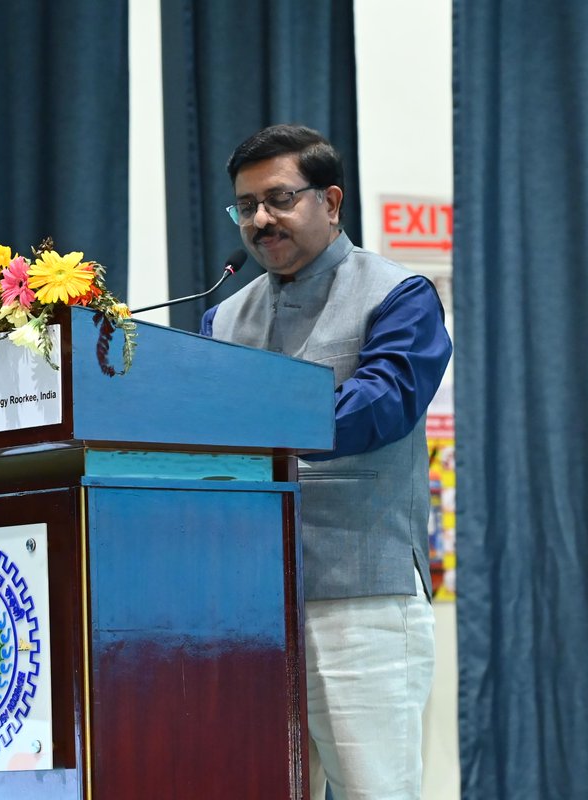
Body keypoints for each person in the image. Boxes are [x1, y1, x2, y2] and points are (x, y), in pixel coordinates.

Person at [201, 124, 452, 800]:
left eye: (279, 198)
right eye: (246, 205)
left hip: (362, 605)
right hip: (247, 612)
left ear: (331, 201)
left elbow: (383, 405)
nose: (260, 219)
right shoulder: (221, 319)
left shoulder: (400, 295)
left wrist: (247, 423)